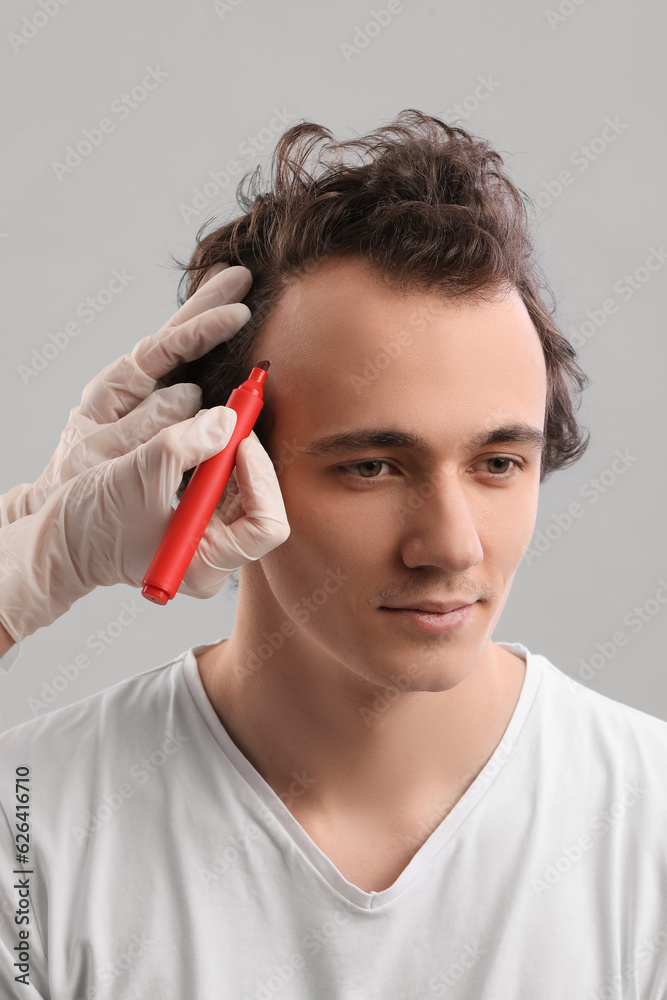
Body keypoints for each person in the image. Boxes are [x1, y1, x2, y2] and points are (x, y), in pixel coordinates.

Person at [1, 109, 666, 998]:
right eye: (372, 466)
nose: (452, 545)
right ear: (225, 467)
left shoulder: (647, 823)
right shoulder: (31, 827)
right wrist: (22, 569)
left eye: (499, 462)